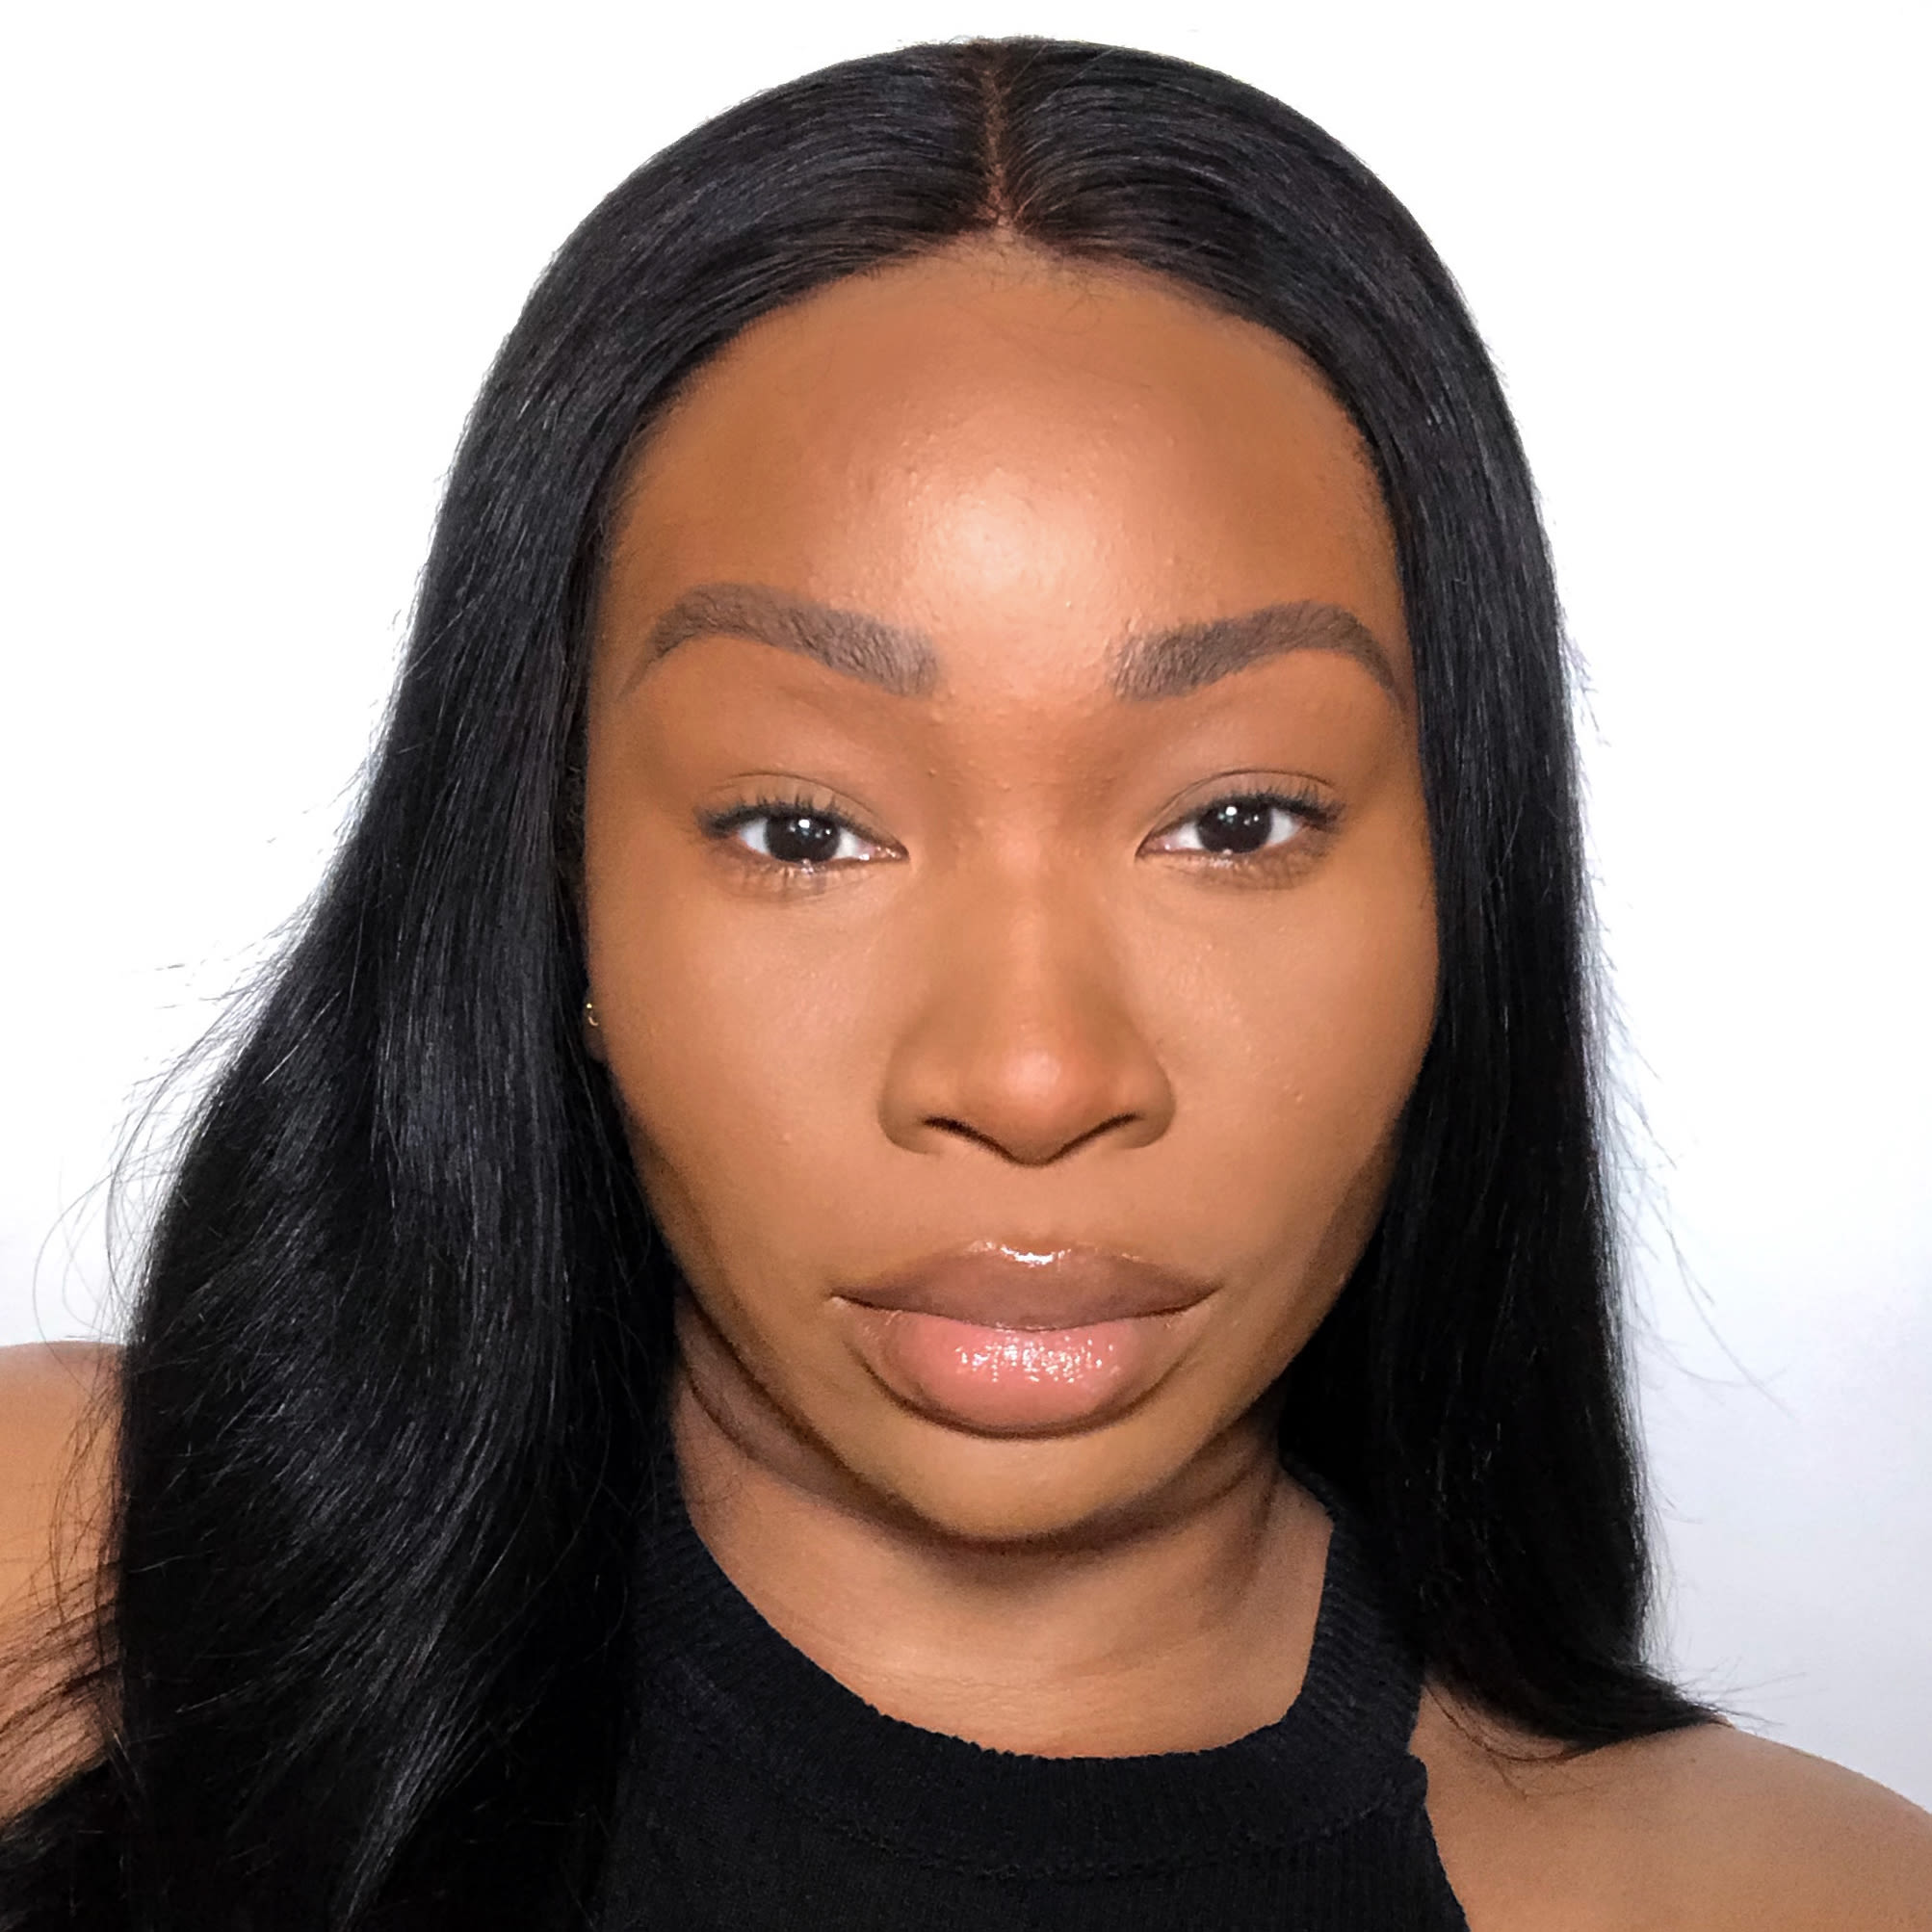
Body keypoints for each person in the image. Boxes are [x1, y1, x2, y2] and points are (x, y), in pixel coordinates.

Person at [1, 36, 1927, 1931]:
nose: (1029, 1073)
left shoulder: (1797, 1900)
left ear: (1457, 902)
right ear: (556, 896)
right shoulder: (68, 1597)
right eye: (801, 828)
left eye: (1235, 820)